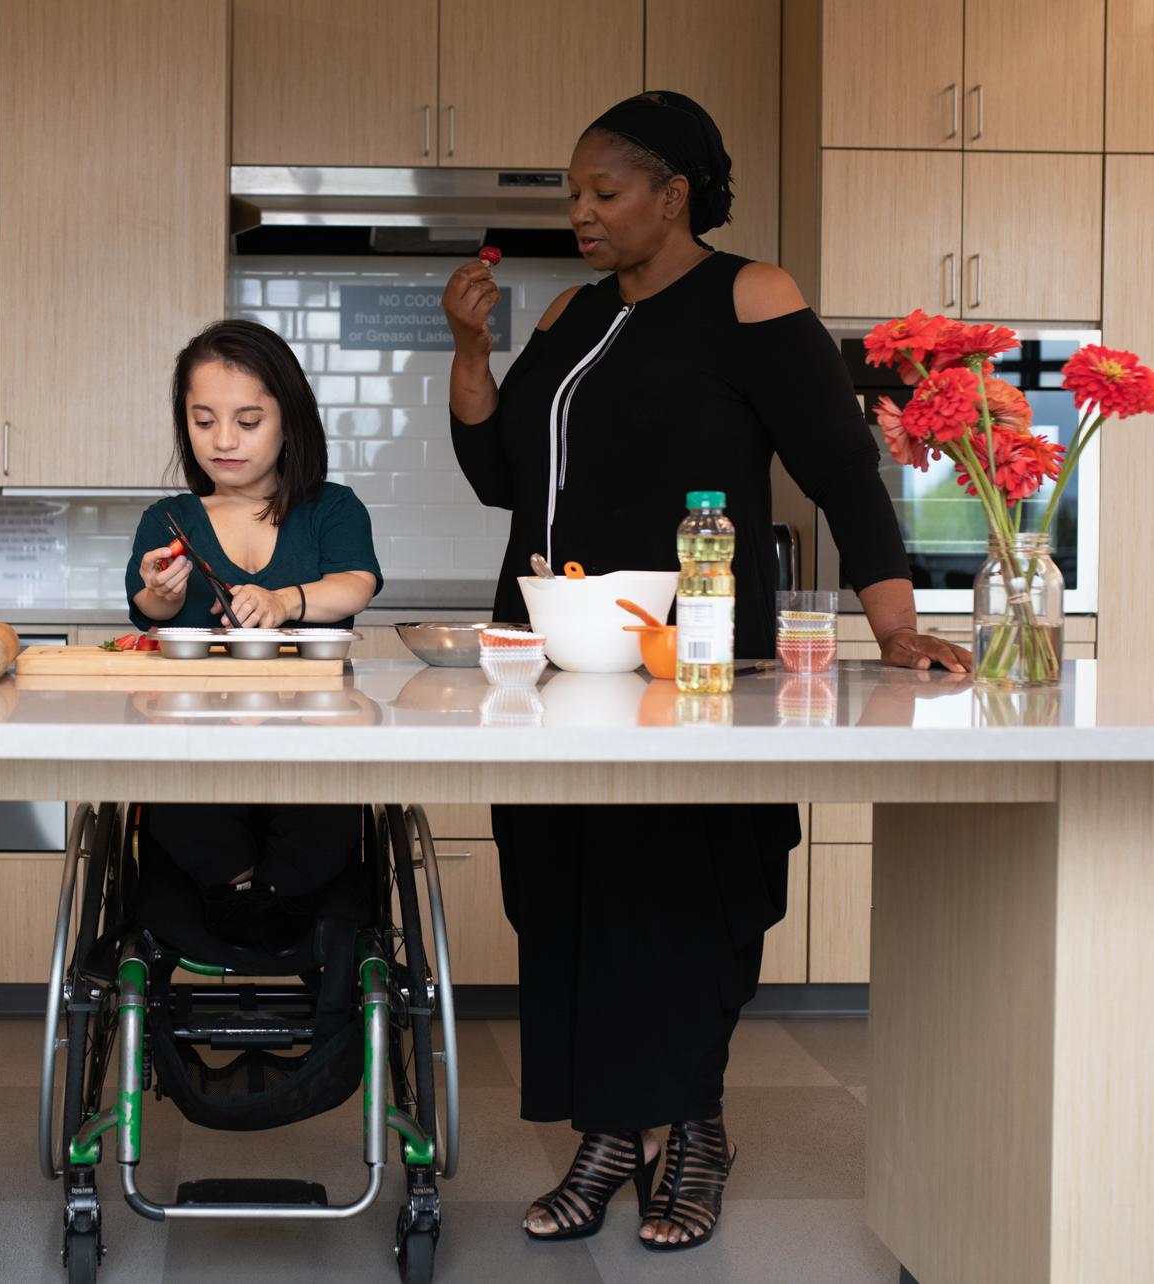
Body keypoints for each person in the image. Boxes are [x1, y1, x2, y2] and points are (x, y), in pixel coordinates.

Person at [440, 91, 972, 1252]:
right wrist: (472, 350)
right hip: (551, 663)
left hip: (691, 663)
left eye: (603, 191)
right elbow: (496, 478)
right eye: (572, 194)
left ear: (672, 193)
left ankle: (690, 1127)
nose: (579, 213)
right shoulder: (571, 314)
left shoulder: (749, 296)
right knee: (561, 895)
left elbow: (840, 473)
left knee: (680, 894)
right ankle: (605, 1131)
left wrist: (893, 628)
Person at [126, 320, 383, 949]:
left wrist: (284, 600)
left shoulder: (331, 509)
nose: (223, 440)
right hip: (198, 749)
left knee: (323, 809)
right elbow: (144, 606)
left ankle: (279, 897)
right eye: (203, 420)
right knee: (180, 799)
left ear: (289, 421)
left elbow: (356, 584)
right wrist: (162, 594)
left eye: (247, 421)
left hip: (309, 745)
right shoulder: (169, 519)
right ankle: (237, 888)